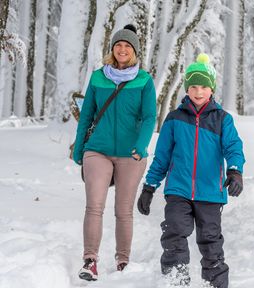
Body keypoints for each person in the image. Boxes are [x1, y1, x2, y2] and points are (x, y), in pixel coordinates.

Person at [136, 53, 245, 288]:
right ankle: (176, 281)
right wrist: (149, 186)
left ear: (212, 88)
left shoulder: (222, 119)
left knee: (211, 243)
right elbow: (162, 157)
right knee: (174, 233)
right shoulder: (174, 119)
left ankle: (216, 284)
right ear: (187, 88)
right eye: (193, 86)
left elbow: (233, 147)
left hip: (210, 192)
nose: (198, 91)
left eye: (204, 86)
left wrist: (235, 171)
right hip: (178, 190)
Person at [73, 24, 157, 281]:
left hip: (130, 154)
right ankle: (90, 260)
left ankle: (122, 260)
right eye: (118, 45)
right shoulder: (99, 77)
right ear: (112, 49)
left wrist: (141, 146)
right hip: (97, 150)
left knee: (123, 210)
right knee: (94, 206)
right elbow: (86, 114)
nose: (122, 49)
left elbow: (149, 116)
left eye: (127, 46)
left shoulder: (144, 80)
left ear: (134, 52)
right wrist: (80, 149)